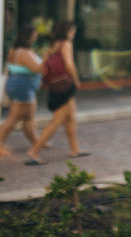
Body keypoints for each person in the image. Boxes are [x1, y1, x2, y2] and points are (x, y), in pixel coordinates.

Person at [26, 21, 89, 164]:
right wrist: (76, 80)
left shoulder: (52, 46)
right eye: (72, 31)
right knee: (57, 120)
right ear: (67, 31)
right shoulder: (66, 44)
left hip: (55, 86)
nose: (73, 34)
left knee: (71, 117)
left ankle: (75, 149)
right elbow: (69, 64)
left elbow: (43, 66)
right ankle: (34, 151)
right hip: (65, 86)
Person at [0, 24, 46, 155]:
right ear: (28, 36)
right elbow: (37, 69)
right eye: (34, 34)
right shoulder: (24, 53)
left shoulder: (14, 50)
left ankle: (37, 142)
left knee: (28, 118)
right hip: (23, 86)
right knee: (14, 118)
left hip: (19, 84)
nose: (36, 37)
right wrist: (47, 58)